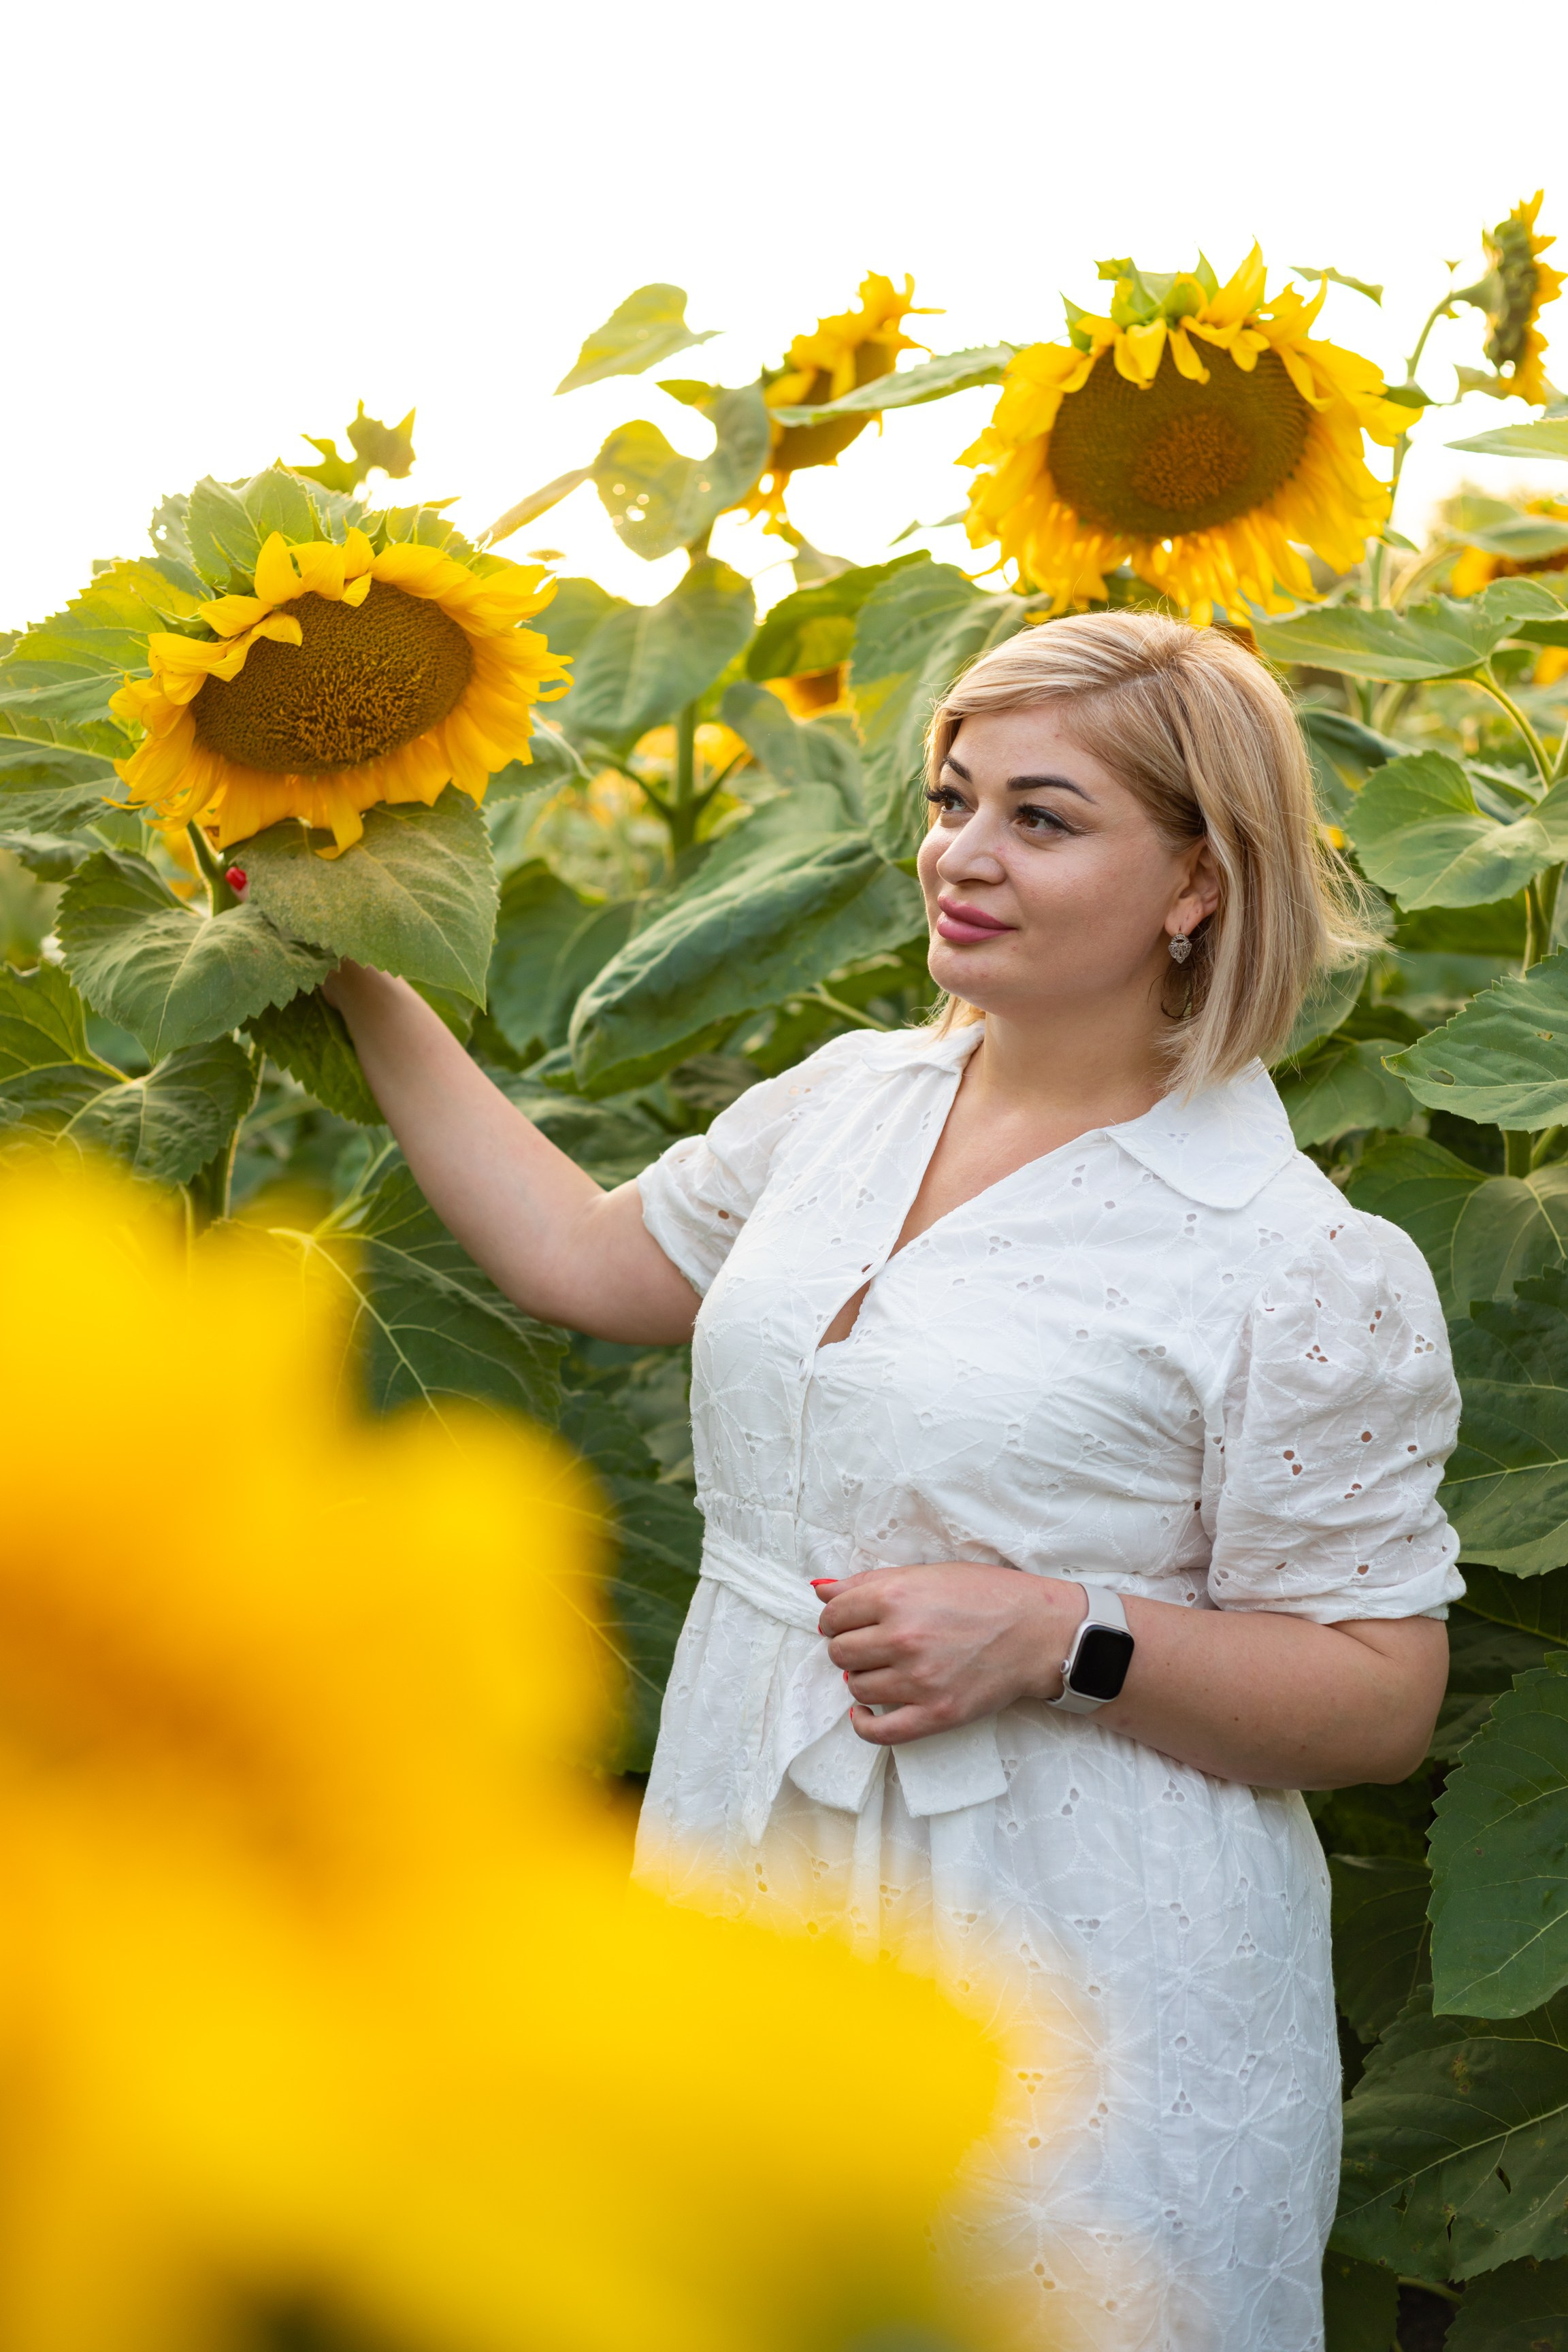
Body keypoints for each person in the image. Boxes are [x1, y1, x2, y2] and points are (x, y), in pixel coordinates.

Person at [326, 610, 1461, 2352]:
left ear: (1199, 883)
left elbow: (1382, 1697)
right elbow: (601, 1265)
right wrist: (356, 970)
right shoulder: (855, 1099)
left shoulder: (1298, 1258)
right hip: (748, 1853)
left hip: (1076, 1949)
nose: (963, 856)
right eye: (952, 799)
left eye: (1043, 817)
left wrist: (1067, 1633)